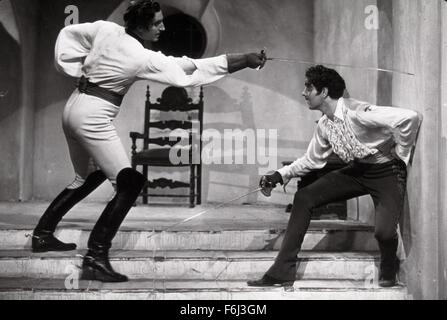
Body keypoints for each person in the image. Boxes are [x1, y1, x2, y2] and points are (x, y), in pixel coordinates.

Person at [31, 0, 267, 283]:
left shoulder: (106, 29)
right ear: (141, 26)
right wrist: (242, 61)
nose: (163, 26)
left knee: (88, 177)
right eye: (156, 23)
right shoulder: (140, 57)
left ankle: (42, 235)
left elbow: (69, 35)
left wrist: (77, 70)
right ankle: (95, 256)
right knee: (130, 183)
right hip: (92, 117)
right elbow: (185, 75)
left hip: (73, 108)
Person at [248, 65, 421, 288]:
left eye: (308, 88)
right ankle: (281, 272)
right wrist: (279, 175)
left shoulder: (358, 113)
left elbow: (410, 117)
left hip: (386, 172)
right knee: (304, 197)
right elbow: (312, 160)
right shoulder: (324, 124)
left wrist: (402, 155)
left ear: (324, 92)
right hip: (357, 171)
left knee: (384, 232)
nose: (303, 93)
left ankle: (389, 266)